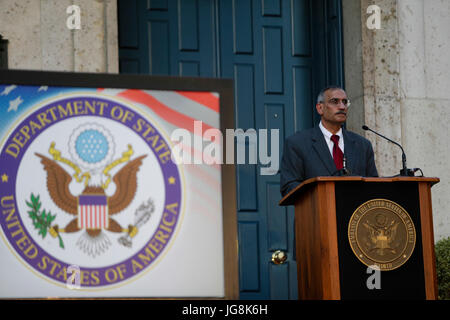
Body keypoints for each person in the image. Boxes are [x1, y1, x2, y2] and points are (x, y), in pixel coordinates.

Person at [280, 86, 378, 197]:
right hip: (316, 212)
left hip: (355, 213)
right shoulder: (297, 143)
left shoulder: (363, 145)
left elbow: (374, 186)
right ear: (320, 108)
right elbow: (288, 186)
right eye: (334, 101)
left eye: (345, 102)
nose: (342, 107)